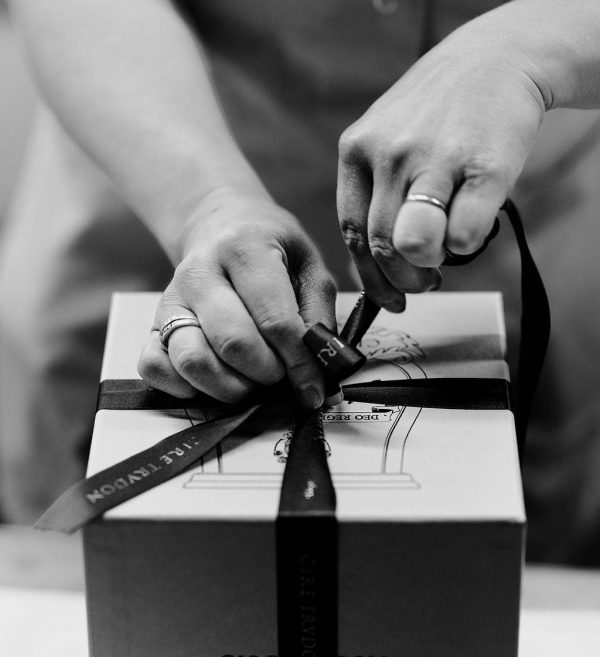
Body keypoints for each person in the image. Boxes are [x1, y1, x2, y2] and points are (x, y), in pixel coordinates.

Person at [1, 0, 600, 562]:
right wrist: (206, 205)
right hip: (158, 183)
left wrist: (528, 48)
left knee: (491, 585)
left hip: (515, 225)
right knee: (111, 591)